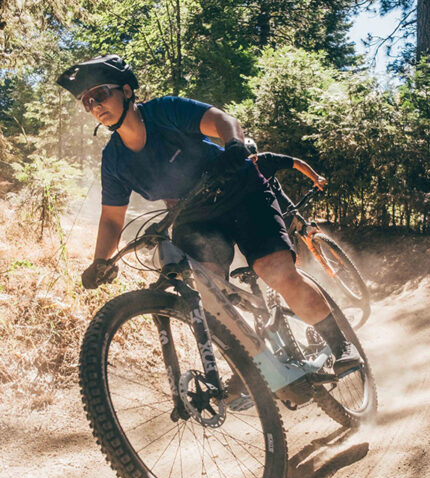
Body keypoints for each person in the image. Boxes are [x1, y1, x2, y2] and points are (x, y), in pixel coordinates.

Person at [57, 54, 361, 375]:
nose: (94, 105)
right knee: (213, 300)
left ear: (127, 91)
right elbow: (111, 218)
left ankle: (340, 344)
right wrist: (101, 261)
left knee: (275, 272)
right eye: (86, 101)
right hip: (193, 216)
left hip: (240, 191)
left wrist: (234, 147)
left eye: (100, 94)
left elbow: (223, 121)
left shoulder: (163, 111)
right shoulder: (114, 159)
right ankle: (257, 374)